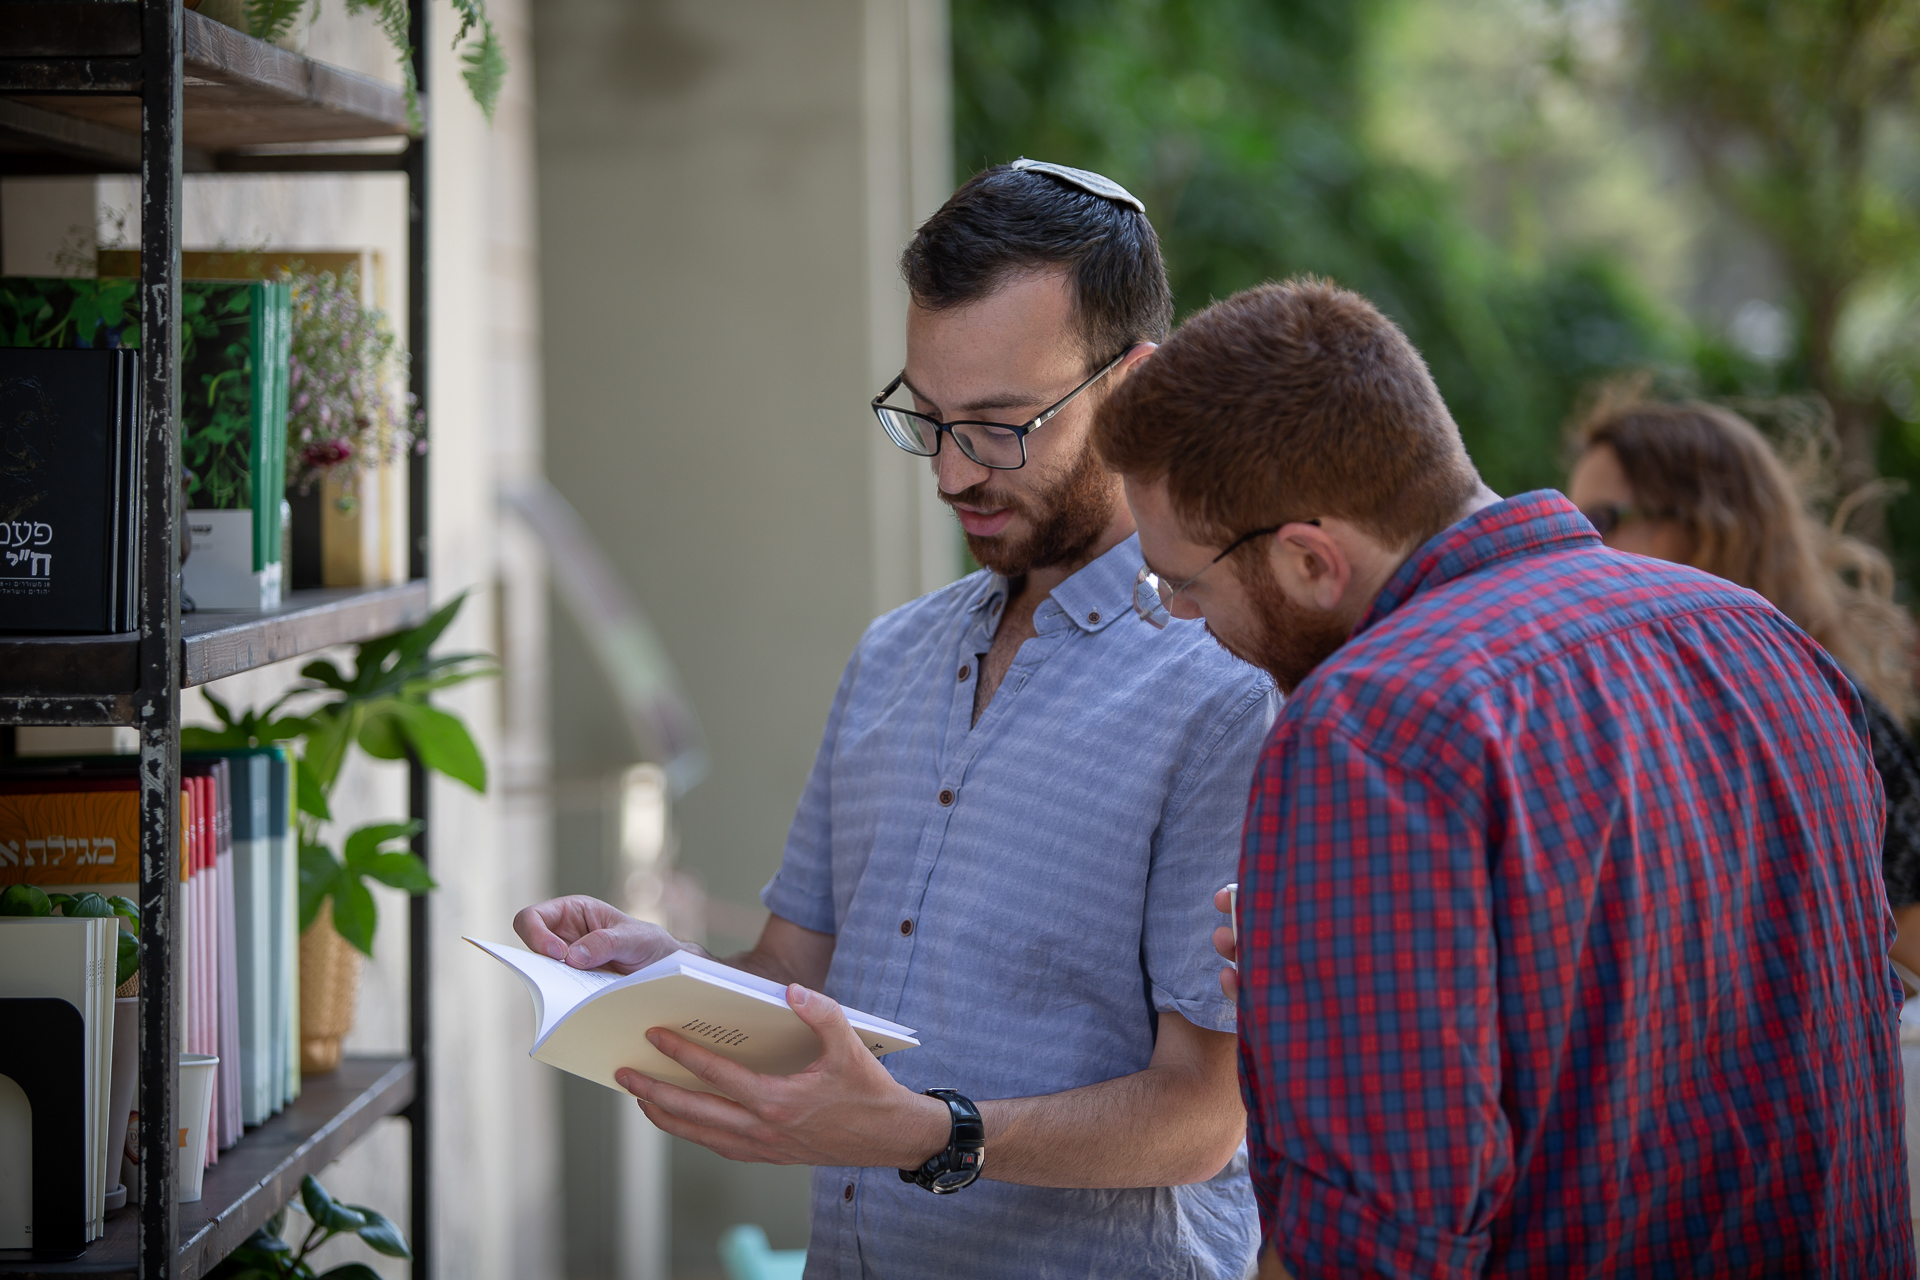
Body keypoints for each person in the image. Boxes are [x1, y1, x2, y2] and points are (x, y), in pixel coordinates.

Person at [515, 161, 1275, 1279]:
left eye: (1001, 426)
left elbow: (1202, 1116)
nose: (952, 473)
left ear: (1133, 390)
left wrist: (926, 1132)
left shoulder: (1224, 687)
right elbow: (794, 965)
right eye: (927, 419)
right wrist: (662, 975)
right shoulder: (892, 656)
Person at [1094, 277, 1914, 1277]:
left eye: (1185, 585)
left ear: (1312, 559)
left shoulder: (1366, 730)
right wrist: (1339, 981)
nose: (1185, 620)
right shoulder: (1763, 638)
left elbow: (1375, 1244)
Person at [1564, 393, 1920, 976]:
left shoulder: (1824, 712)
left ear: (1708, 530)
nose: (1574, 550)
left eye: (1598, 522)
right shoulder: (1624, 712)